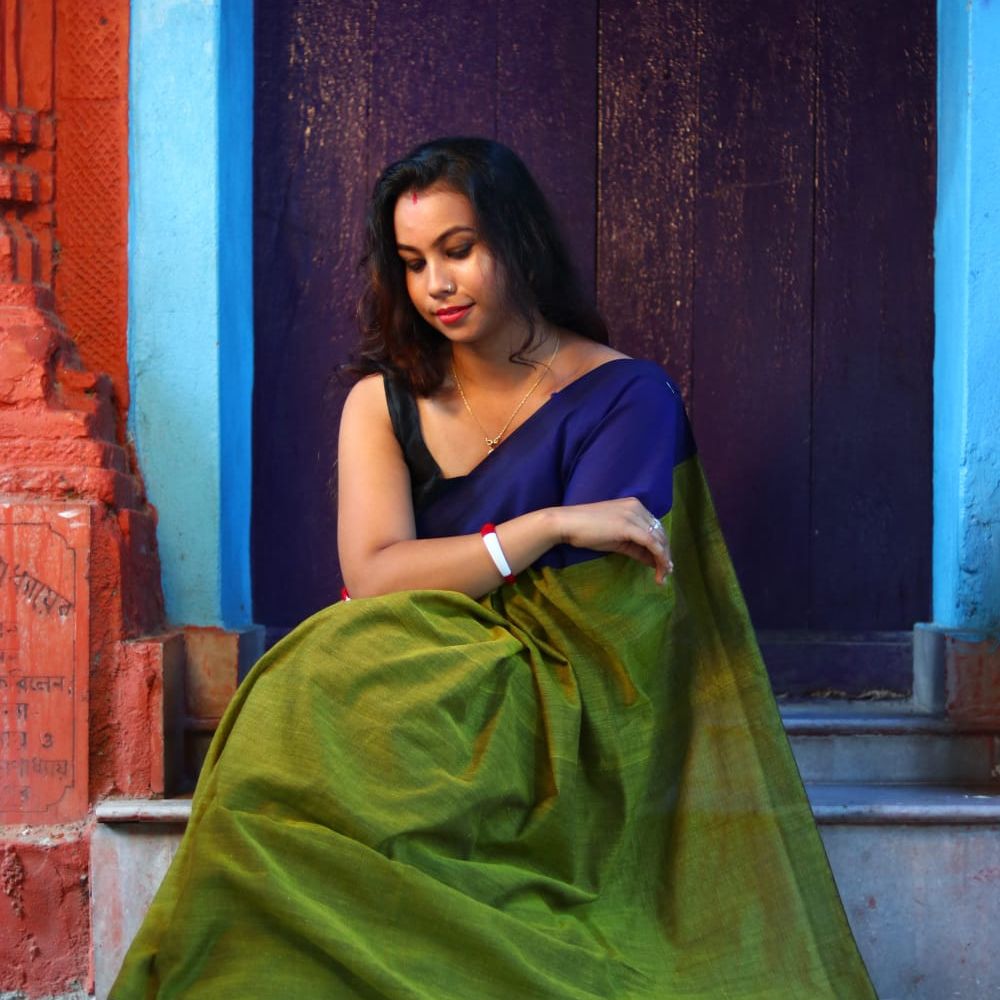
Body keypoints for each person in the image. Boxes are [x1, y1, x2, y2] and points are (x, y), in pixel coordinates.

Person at [112, 138, 875, 998]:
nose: (436, 284)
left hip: (548, 705)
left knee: (336, 689)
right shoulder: (386, 398)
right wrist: (540, 526)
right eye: (412, 263)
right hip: (403, 670)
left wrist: (443, 579)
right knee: (294, 705)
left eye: (458, 250)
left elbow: (601, 630)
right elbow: (370, 574)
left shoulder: (629, 398)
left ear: (516, 241)